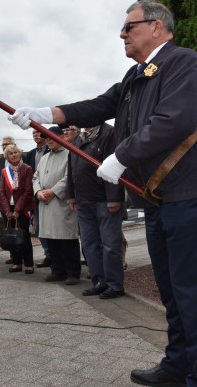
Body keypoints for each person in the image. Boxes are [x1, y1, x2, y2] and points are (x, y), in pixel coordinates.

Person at [10, 0, 197, 387]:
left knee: (196, 292)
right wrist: (47, 114)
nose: (122, 35)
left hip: (193, 195)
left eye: (129, 27)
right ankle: (178, 362)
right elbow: (97, 106)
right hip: (159, 199)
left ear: (158, 27)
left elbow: (174, 120)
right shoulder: (134, 77)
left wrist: (120, 156)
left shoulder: (184, 63)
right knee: (173, 292)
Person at [65, 123, 126, 299]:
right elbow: (72, 170)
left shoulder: (110, 134)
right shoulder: (78, 139)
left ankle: (114, 285)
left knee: (109, 245)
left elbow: (117, 166)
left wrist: (114, 198)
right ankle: (99, 282)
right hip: (84, 201)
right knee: (89, 245)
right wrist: (71, 196)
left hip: (104, 200)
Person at [33, 127, 80, 284]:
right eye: (46, 138)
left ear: (61, 136)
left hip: (61, 203)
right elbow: (35, 177)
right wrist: (38, 191)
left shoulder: (70, 154)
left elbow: (70, 178)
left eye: (51, 137)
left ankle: (73, 272)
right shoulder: (44, 157)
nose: (48, 140)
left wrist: (53, 192)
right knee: (51, 240)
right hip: (45, 203)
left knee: (67, 239)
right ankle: (57, 270)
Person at [0, 144, 36, 274]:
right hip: (8, 208)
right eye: (10, 153)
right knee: (12, 236)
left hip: (23, 208)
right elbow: (1, 192)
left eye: (16, 152)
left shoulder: (27, 169)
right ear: (7, 157)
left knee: (24, 236)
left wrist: (17, 210)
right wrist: (7, 211)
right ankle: (17, 262)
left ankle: (29, 264)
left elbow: (27, 191)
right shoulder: (4, 171)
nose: (14, 155)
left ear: (20, 154)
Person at [23, 128, 50, 267]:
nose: (36, 135)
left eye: (38, 132)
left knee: (52, 226)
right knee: (38, 227)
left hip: (50, 195)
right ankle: (48, 254)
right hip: (35, 195)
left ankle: (56, 255)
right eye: (33, 133)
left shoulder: (50, 150)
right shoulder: (31, 154)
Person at [0, 136, 15, 264]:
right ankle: (14, 255)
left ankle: (24, 255)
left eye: (7, 144)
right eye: (3, 144)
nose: (4, 146)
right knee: (8, 228)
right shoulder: (0, 162)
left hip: (18, 201)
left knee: (19, 228)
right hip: (4, 201)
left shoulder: (19, 159)